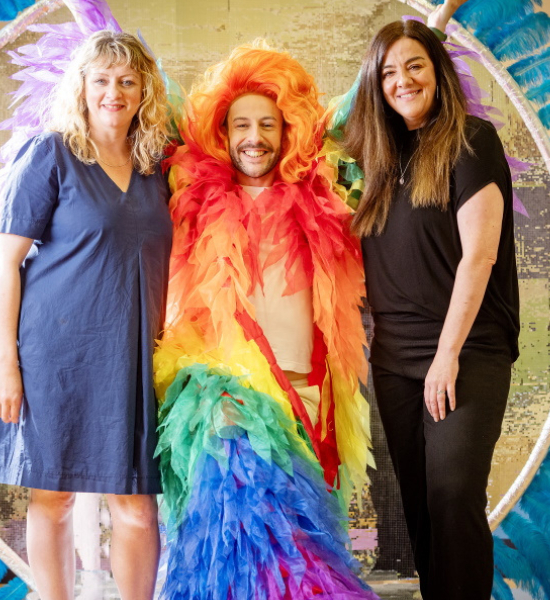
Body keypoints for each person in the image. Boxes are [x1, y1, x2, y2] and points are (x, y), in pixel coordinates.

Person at [152, 43, 377, 599]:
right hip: (228, 390)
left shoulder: (319, 196)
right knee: (241, 534)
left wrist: (435, 27)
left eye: (268, 124)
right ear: (221, 133)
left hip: (307, 385)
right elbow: (163, 96)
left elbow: (354, 106)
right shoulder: (197, 199)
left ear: (290, 130)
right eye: (241, 125)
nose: (254, 137)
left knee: (302, 538)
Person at [0, 30, 171, 600]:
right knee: (54, 498)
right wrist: (5, 364)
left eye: (127, 80)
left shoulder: (158, 164)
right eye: (102, 79)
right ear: (82, 87)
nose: (114, 91)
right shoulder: (51, 153)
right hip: (55, 356)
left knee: (136, 507)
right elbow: (5, 264)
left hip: (135, 357)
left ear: (144, 91)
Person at [343, 16, 519, 600]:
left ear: (438, 72)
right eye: (389, 72)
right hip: (393, 355)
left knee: (452, 492)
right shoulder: (373, 157)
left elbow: (480, 255)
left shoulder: (471, 140)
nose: (403, 80)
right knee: (416, 507)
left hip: (465, 348)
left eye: (415, 65)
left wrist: (447, 356)